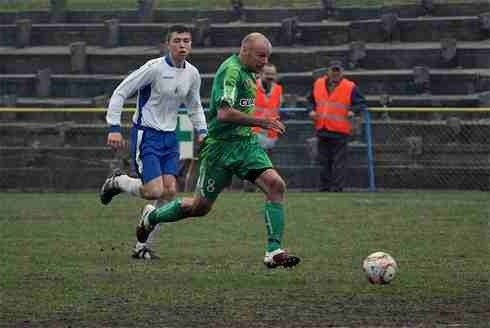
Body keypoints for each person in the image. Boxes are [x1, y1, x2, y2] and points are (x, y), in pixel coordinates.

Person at [135, 32, 300, 269]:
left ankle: (273, 251)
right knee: (199, 208)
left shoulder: (249, 72)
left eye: (267, 57)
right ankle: (151, 216)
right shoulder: (231, 72)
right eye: (261, 56)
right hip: (220, 149)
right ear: (244, 51)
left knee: (276, 185)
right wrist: (262, 122)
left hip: (245, 145)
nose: (265, 62)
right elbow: (224, 113)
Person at [99, 25, 208, 259]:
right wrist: (114, 128)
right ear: (168, 44)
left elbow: (194, 105)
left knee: (169, 192)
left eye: (186, 41)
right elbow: (120, 92)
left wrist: (202, 131)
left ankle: (142, 246)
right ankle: (118, 182)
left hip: (171, 137)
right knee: (153, 191)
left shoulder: (192, 73)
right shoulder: (154, 68)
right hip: (147, 135)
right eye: (177, 40)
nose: (182, 45)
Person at [308, 60, 367, 192]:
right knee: (323, 161)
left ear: (342, 72)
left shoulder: (350, 86)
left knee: (338, 162)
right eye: (333, 70)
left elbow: (361, 103)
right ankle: (324, 186)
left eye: (337, 70)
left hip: (340, 130)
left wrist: (353, 110)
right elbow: (310, 100)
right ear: (328, 71)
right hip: (322, 128)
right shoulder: (318, 84)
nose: (335, 73)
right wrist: (310, 110)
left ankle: (337, 187)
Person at [252, 62, 283, 153]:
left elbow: (278, 109)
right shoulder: (252, 87)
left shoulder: (278, 89)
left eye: (272, 74)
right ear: (260, 74)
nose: (270, 76)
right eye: (267, 74)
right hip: (255, 132)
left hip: (271, 134)